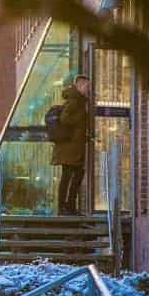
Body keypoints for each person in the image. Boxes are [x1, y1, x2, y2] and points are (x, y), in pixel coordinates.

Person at [52, 74, 91, 215]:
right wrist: (80, 117)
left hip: (73, 147)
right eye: (87, 86)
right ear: (79, 85)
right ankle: (65, 207)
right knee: (69, 175)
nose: (88, 89)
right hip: (69, 147)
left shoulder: (78, 100)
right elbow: (65, 119)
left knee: (74, 174)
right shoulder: (75, 100)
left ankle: (68, 206)